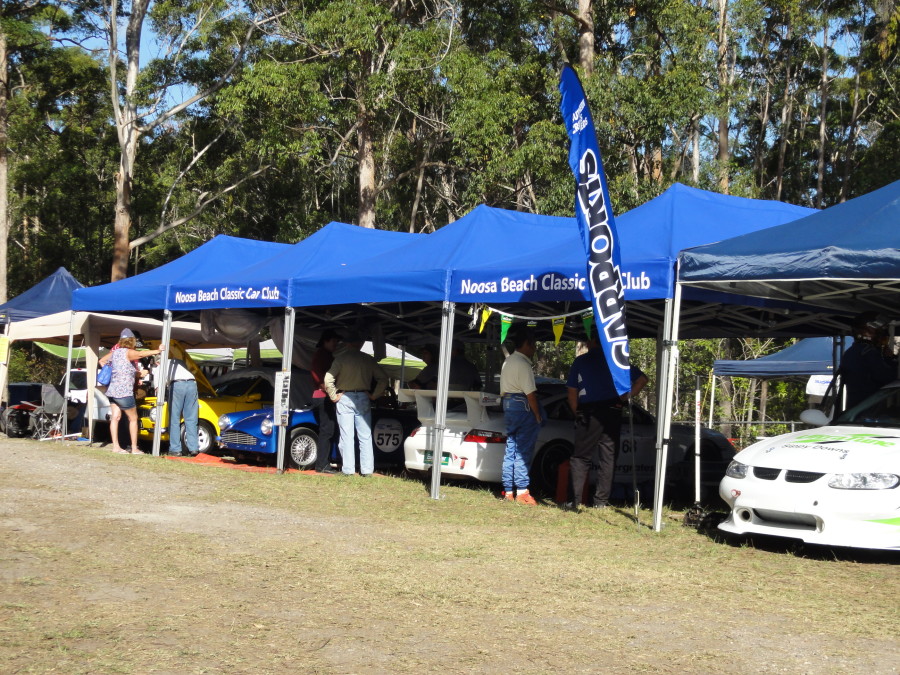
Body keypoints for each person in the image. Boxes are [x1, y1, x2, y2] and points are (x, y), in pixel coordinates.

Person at [565, 329, 648, 510]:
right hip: (612, 409)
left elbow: (572, 391)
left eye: (588, 340)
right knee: (608, 457)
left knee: (581, 457)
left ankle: (576, 500)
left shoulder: (581, 361)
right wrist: (623, 398)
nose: (586, 344)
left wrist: (576, 411)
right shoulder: (616, 361)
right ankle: (601, 502)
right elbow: (642, 379)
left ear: (593, 341)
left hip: (589, 412)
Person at [324, 330, 389, 477]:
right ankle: (367, 470)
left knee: (346, 435)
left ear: (347, 344)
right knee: (365, 435)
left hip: (345, 397)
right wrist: (374, 395)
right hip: (363, 396)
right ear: (360, 344)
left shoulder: (340, 359)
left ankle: (348, 470)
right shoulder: (368, 359)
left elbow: (328, 379)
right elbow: (383, 378)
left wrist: (334, 396)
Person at [99, 328, 165, 455]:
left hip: (112, 390)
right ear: (132, 341)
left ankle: (116, 447)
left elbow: (101, 361)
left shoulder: (115, 352)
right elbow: (141, 354)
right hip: (124, 392)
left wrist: (113, 371)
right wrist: (158, 350)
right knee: (133, 418)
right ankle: (134, 448)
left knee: (115, 417)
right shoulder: (128, 352)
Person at [499, 325, 542, 505]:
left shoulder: (507, 362)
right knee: (523, 450)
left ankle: (508, 490)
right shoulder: (523, 364)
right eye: (533, 345)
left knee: (511, 448)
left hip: (508, 405)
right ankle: (523, 491)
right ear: (526, 343)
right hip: (522, 406)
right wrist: (538, 415)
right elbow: (530, 394)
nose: (534, 349)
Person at [840, 312, 897, 409]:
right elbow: (887, 377)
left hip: (857, 408)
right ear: (866, 331)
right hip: (868, 409)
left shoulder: (852, 351)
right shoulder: (867, 352)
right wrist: (890, 359)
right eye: (877, 331)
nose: (881, 334)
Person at [310, 329, 341, 474]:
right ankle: (322, 464)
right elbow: (317, 375)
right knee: (327, 430)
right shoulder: (322, 355)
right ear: (325, 341)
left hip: (323, 395)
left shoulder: (326, 355)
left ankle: (324, 462)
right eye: (334, 341)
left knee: (328, 430)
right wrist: (330, 392)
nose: (336, 344)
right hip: (323, 396)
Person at [165, 351, 199, 457]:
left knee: (174, 418)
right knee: (191, 419)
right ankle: (193, 448)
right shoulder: (180, 362)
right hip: (192, 383)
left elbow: (158, 387)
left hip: (177, 384)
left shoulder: (162, 364)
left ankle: (175, 449)